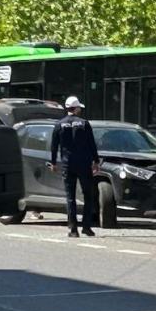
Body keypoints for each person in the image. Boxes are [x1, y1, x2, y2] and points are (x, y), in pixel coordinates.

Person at [49, 96, 99, 237]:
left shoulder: (59, 124)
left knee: (70, 197)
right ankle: (87, 227)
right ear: (76, 108)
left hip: (67, 164)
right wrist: (96, 161)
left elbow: (54, 146)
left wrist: (53, 163)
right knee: (88, 196)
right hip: (84, 164)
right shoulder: (84, 123)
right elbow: (91, 144)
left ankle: (73, 230)